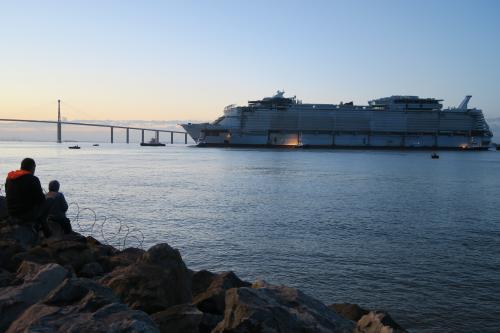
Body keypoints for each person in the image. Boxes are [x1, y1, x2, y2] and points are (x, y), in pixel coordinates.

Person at [5, 157, 51, 237]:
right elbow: (41, 200)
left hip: (11, 212)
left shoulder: (9, 178)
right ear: (32, 167)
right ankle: (45, 228)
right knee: (48, 201)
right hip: (26, 214)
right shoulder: (33, 179)